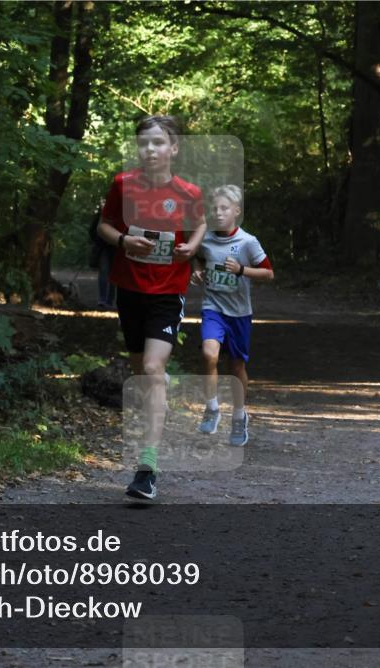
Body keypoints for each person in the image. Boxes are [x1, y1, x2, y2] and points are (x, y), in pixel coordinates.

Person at [96, 115, 207, 501]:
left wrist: (192, 247)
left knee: (151, 368)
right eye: (144, 143)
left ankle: (147, 466)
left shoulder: (189, 192)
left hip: (167, 291)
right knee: (142, 376)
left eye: (159, 143)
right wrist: (124, 241)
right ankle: (156, 396)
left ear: (173, 149)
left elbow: (200, 224)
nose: (151, 150)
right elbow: (104, 226)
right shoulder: (122, 185)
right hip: (129, 289)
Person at [192, 185, 273, 447]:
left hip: (239, 313)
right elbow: (198, 257)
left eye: (224, 208)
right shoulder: (205, 239)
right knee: (209, 354)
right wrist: (196, 271)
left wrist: (241, 270)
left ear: (236, 212)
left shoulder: (248, 242)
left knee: (236, 366)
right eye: (214, 208)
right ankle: (212, 407)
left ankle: (239, 416)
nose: (218, 213)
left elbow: (268, 274)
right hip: (213, 307)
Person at [87, 209, 115, 309]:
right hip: (103, 248)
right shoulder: (101, 214)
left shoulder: (120, 214)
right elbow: (92, 230)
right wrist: (98, 241)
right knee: (104, 272)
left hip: (115, 248)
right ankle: (103, 299)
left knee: (112, 274)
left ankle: (109, 300)